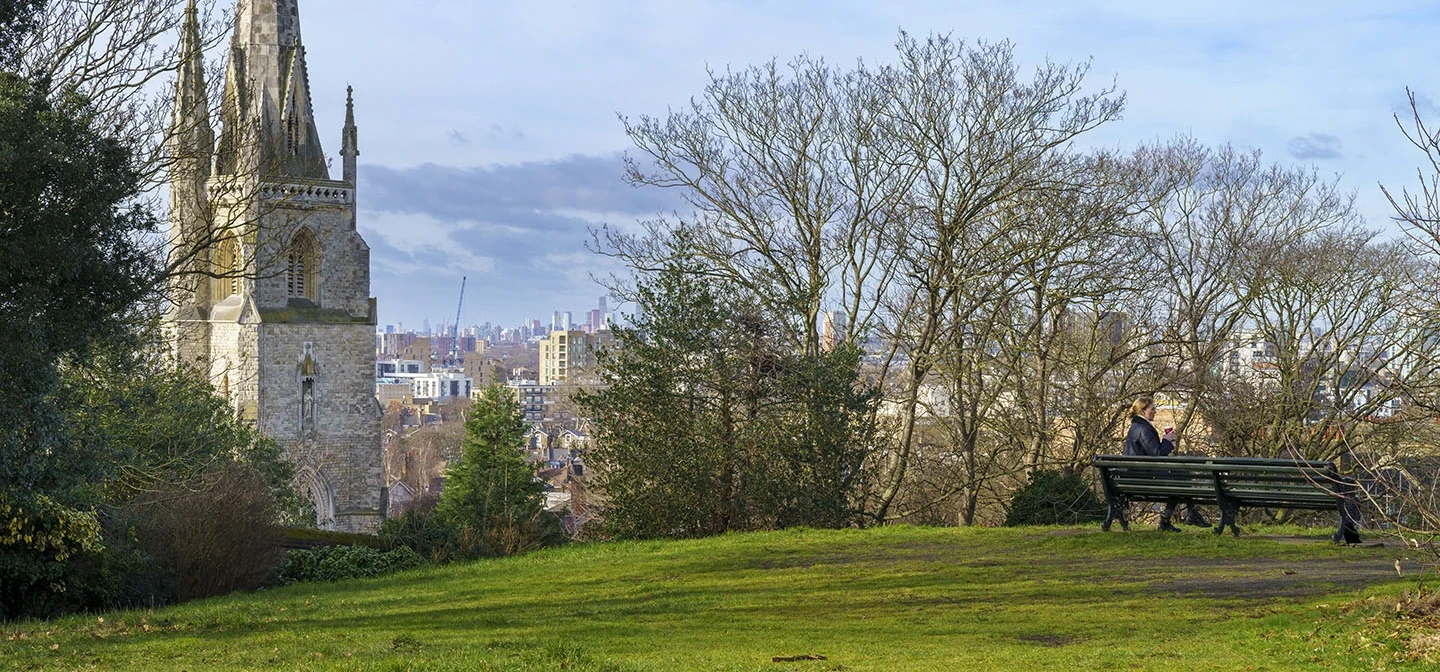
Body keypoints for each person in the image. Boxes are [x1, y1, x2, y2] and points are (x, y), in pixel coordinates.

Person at [1123, 396, 1182, 532]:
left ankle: (1189, 513)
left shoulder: (1135, 427)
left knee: (1180, 476)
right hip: (1145, 478)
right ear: (1143, 411)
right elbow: (1158, 455)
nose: (1155, 411)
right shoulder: (1144, 429)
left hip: (1132, 476)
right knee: (1182, 477)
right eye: (1152, 409)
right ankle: (1166, 520)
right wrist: (1167, 441)